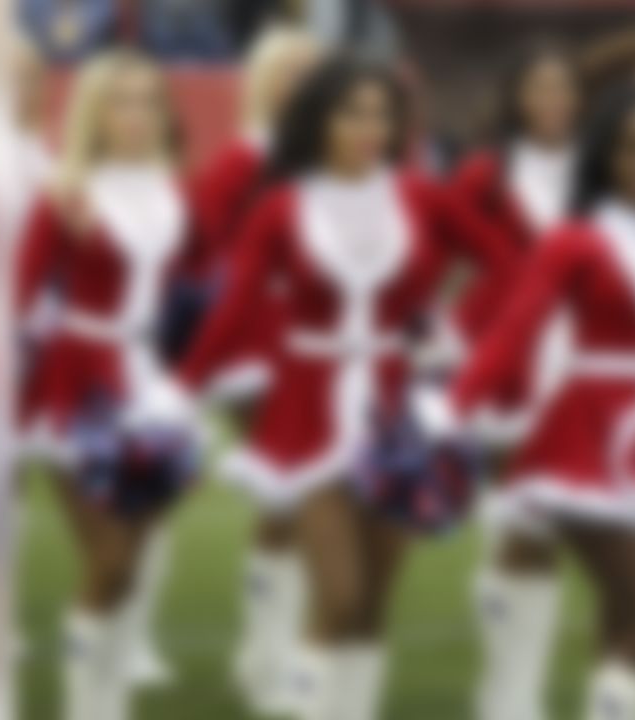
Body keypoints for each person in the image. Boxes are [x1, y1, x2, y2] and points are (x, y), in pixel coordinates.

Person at [177, 55, 516, 720]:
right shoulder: (280, 206)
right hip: (305, 409)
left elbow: (509, 265)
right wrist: (180, 390)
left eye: (382, 115)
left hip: (396, 411)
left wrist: (451, 329)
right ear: (319, 121)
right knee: (340, 593)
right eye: (352, 113)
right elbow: (236, 308)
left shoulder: (421, 196)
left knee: (371, 605)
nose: (370, 127)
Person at [419, 85, 635, 720]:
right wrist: (454, 407)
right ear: (604, 157)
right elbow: (514, 333)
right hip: (586, 442)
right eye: (632, 148)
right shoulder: (575, 240)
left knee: (626, 624)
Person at [14, 49, 207, 720]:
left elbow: (191, 291)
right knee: (112, 561)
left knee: (138, 560)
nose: (140, 114)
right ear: (95, 113)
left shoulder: (172, 187)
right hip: (78, 384)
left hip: (149, 385)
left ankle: (111, 698)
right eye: (123, 100)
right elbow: (17, 295)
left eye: (151, 99)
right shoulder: (64, 193)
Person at [186, 26, 324, 713]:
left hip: (321, 343)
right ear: (263, 81)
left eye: (310, 69)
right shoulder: (244, 159)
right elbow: (205, 247)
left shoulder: (335, 158)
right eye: (285, 70)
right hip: (256, 343)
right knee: (287, 497)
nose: (297, 81)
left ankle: (273, 652)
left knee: (308, 500)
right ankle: (270, 657)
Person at [446, 40, 583, 720]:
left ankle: (511, 686)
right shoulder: (485, 175)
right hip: (514, 364)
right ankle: (509, 695)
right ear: (516, 99)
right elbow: (446, 252)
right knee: (520, 524)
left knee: (550, 529)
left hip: (586, 363)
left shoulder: (601, 166)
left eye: (563, 88)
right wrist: (458, 329)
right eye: (539, 88)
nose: (552, 101)